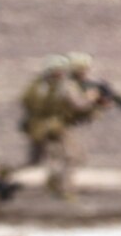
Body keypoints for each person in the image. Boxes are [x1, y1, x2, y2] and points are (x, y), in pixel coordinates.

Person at [19, 54, 99, 199]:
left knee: (49, 158)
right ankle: (66, 189)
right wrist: (91, 98)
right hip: (56, 127)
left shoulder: (37, 85)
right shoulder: (65, 86)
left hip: (37, 128)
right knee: (73, 157)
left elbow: (25, 101)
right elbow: (80, 105)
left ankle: (53, 183)